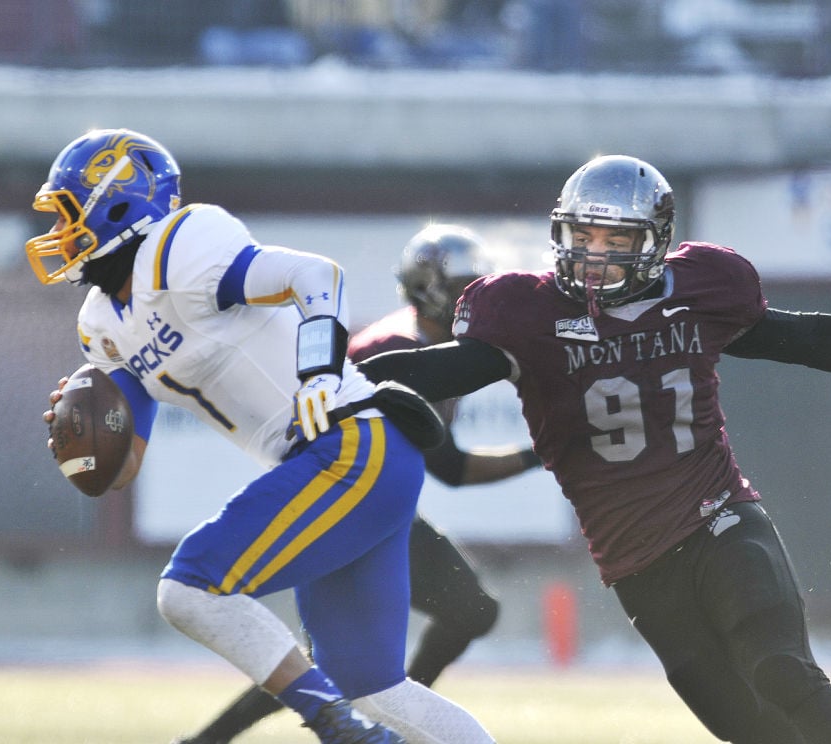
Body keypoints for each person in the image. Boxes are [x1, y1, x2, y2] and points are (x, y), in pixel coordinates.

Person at [356, 154, 831, 744]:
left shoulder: (697, 292)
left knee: (780, 672)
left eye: (614, 238)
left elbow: (808, 339)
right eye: (581, 236)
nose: (593, 254)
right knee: (745, 726)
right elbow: (446, 367)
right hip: (631, 559)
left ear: (652, 243)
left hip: (718, 518)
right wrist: (334, 379)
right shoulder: (527, 316)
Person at [29, 128, 496, 744]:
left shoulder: (178, 250)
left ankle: (341, 731)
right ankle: (353, 722)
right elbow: (123, 466)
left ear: (119, 202)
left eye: (68, 214)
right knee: (378, 688)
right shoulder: (99, 326)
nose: (58, 235)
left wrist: (321, 370)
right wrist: (83, 438)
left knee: (189, 587)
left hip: (352, 444)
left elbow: (315, 276)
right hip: (354, 459)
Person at [172, 223, 542, 744]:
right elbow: (450, 467)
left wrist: (538, 455)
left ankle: (381, 715)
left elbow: (450, 468)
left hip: (376, 497)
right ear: (428, 288)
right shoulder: (396, 348)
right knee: (339, 661)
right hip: (344, 488)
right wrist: (543, 453)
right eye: (461, 288)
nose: (469, 300)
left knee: (449, 621)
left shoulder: (438, 346)